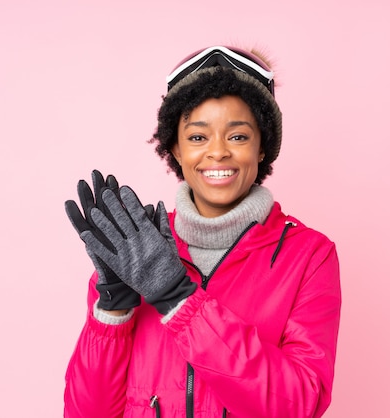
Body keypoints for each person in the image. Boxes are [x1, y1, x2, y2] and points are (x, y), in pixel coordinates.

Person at [63, 45, 341, 418]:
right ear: (175, 149)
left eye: (238, 136)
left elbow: (298, 404)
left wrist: (177, 299)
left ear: (262, 147)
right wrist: (112, 310)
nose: (218, 153)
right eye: (197, 137)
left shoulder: (309, 255)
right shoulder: (137, 249)